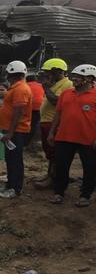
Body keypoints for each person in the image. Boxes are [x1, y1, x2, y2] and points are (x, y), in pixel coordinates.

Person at [47, 64, 96, 207]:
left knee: (90, 168)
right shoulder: (66, 94)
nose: (75, 79)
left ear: (90, 79)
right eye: (74, 76)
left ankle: (85, 195)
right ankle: (59, 193)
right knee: (62, 166)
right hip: (64, 137)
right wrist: (52, 132)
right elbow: (58, 114)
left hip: (88, 139)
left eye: (79, 77)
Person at [0, 61, 34, 199]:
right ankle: (10, 185)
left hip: (16, 131)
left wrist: (10, 132)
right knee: (10, 159)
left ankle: (16, 188)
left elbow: (19, 111)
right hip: (10, 129)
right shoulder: (15, 87)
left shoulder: (21, 89)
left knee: (15, 160)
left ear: (11, 74)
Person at [38, 58, 73, 184]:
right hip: (46, 121)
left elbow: (56, 101)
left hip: (53, 123)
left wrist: (46, 88)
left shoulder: (67, 84)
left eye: (48, 71)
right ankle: (50, 175)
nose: (46, 74)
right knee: (50, 152)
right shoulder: (55, 84)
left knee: (55, 152)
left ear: (57, 71)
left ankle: (54, 179)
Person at [26, 73, 46, 147]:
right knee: (33, 125)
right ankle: (28, 142)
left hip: (27, 108)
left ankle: (24, 141)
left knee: (25, 124)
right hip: (39, 108)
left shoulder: (25, 85)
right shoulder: (41, 85)